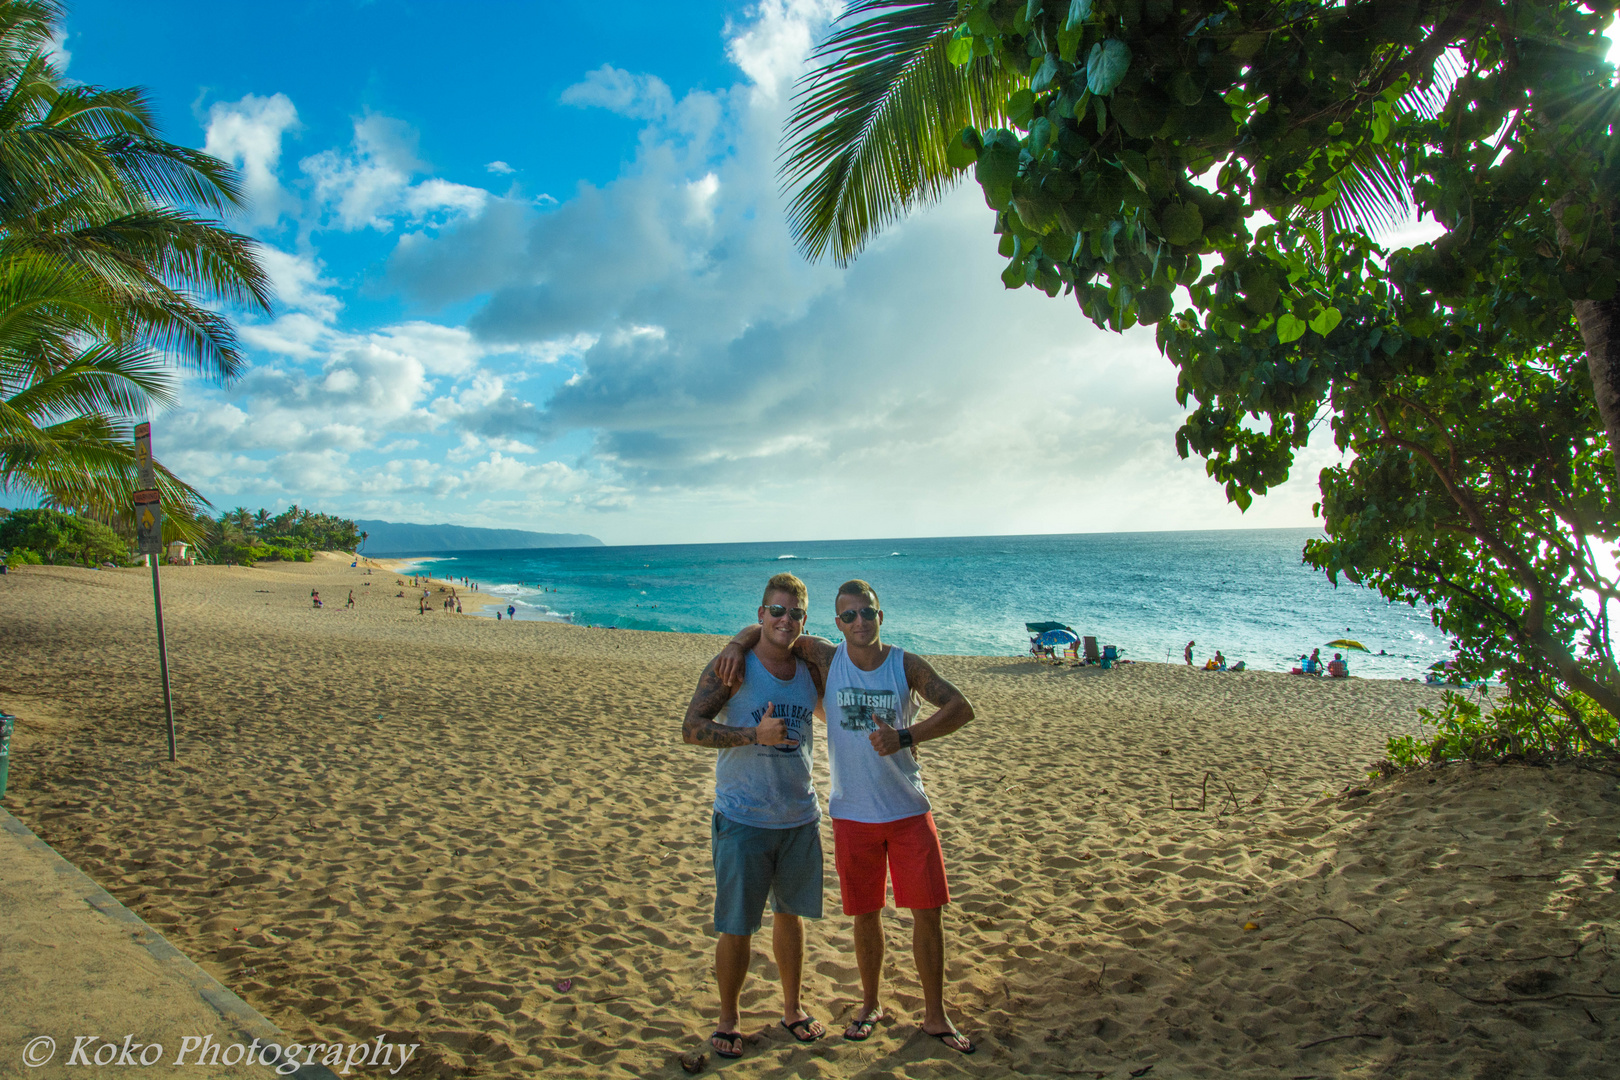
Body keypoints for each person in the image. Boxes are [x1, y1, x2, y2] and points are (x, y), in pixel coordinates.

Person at [717, 579, 977, 1054]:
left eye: (868, 613)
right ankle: (870, 1005)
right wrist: (736, 642)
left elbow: (962, 707)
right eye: (850, 615)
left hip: (908, 810)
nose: (860, 622)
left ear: (881, 617)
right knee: (866, 915)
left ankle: (936, 1015)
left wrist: (906, 736)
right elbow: (770, 626)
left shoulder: (906, 664)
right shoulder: (826, 658)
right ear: (837, 623)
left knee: (928, 914)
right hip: (852, 815)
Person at [681, 573, 827, 1060]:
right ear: (761, 614)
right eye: (777, 611)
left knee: (791, 917)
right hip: (743, 817)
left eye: (796, 613)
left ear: (804, 620)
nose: (786, 620)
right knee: (737, 925)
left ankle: (792, 1008)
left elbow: (850, 662)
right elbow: (692, 729)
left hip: (798, 816)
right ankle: (728, 1018)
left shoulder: (811, 667)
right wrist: (751, 735)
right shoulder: (733, 665)